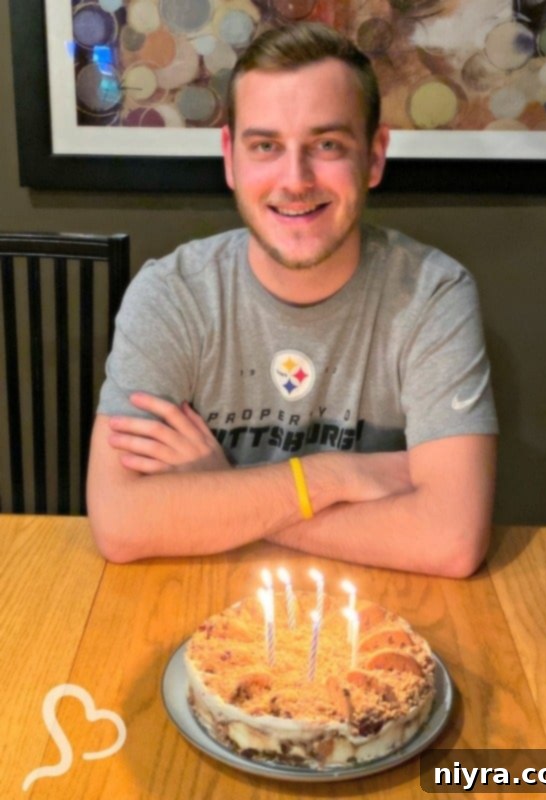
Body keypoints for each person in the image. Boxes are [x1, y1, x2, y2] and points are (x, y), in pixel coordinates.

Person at [87, 22, 498, 575]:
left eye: (327, 145)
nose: (295, 179)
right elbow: (119, 522)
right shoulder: (172, 294)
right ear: (231, 158)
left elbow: (450, 539)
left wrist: (222, 492)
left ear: (374, 157)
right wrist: (337, 479)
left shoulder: (433, 294)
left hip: (375, 616)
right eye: (266, 146)